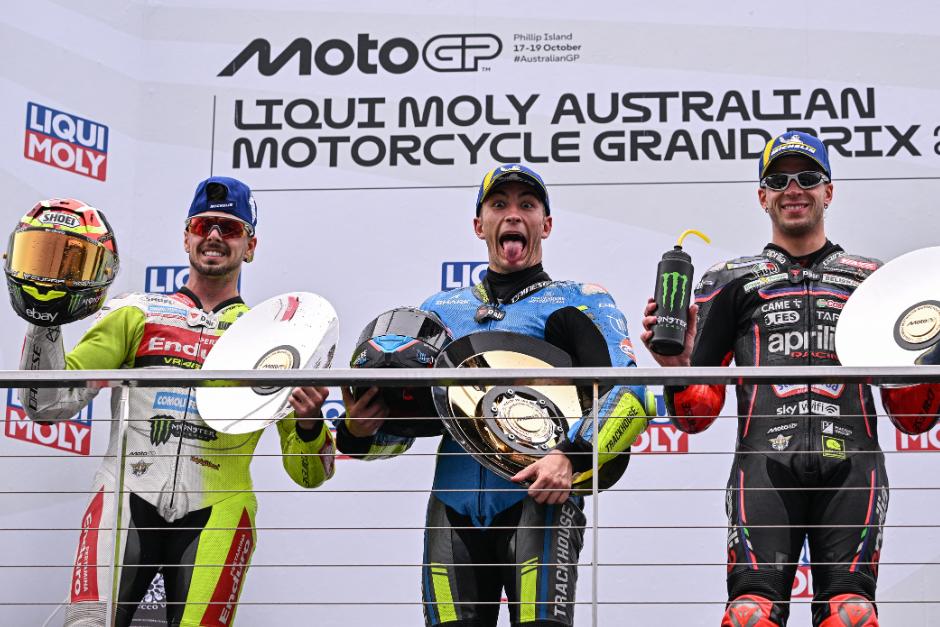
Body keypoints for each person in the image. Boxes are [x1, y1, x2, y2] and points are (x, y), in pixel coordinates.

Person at [640, 133, 940, 627]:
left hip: (854, 468)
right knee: (750, 617)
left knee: (851, 616)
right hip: (762, 469)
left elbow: (912, 417)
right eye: (778, 179)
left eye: (807, 177)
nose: (793, 188)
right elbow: (696, 415)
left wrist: (931, 351)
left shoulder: (874, 278)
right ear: (762, 196)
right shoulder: (728, 279)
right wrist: (676, 365)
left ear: (829, 191)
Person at [336, 163, 654, 627]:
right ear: (478, 224)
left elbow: (633, 392)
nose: (513, 215)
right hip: (452, 505)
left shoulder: (579, 300)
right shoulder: (440, 310)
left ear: (545, 225)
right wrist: (361, 433)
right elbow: (412, 425)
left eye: (527, 205)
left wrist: (571, 456)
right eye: (499, 204)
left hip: (540, 502)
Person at [16, 179, 336, 627]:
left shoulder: (278, 336)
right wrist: (42, 319)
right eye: (204, 224)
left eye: (230, 228)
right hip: (126, 496)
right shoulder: (136, 313)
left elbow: (311, 473)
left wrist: (309, 423)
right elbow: (47, 405)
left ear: (251, 245)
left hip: (221, 511)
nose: (214, 236)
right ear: (186, 236)